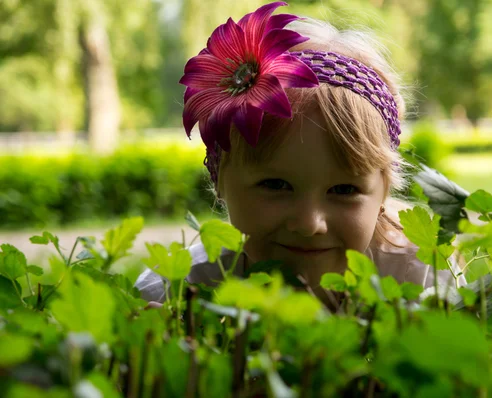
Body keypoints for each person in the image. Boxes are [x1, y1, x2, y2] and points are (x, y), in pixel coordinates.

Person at [135, 1, 465, 305]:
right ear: (220, 177)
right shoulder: (178, 291)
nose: (309, 224)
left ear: (383, 191)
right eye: (276, 185)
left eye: (344, 190)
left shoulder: (422, 282)